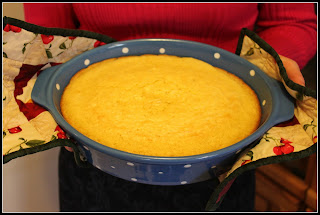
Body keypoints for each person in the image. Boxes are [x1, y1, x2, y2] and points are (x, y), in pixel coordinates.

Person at [23, 3, 317, 212]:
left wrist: (276, 63)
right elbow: (48, 36)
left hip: (226, 165)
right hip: (94, 162)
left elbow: (294, 21)